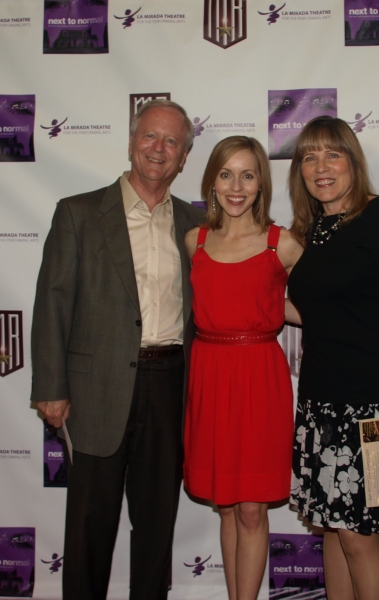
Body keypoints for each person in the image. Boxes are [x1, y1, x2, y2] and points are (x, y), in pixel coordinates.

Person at [31, 99, 204, 600]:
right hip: (94, 389)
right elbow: (52, 303)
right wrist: (51, 388)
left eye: (172, 142)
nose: (159, 149)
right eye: (150, 136)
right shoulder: (79, 213)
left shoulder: (196, 225)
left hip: (170, 385)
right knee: (90, 527)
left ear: (184, 157)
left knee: (156, 528)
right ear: (131, 142)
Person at [286, 116, 379, 600]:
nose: (320, 167)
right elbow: (321, 314)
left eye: (332, 154)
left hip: (375, 414)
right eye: (309, 156)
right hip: (320, 409)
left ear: (353, 161)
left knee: (359, 537)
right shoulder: (315, 231)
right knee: (332, 528)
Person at [183, 136, 303, 600]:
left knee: (252, 510)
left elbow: (317, 305)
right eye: (226, 174)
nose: (237, 186)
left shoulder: (282, 243)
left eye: (248, 175)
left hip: (259, 378)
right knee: (227, 507)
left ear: (261, 183)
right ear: (212, 181)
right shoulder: (195, 239)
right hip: (209, 376)